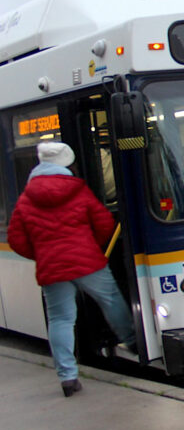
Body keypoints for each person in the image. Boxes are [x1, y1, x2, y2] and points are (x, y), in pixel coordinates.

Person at [7, 141, 135, 397]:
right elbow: (104, 223)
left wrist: (42, 254)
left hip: (52, 268)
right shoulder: (78, 191)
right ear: (66, 165)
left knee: (61, 319)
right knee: (110, 300)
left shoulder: (26, 199)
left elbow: (16, 240)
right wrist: (90, 246)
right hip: (87, 262)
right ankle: (132, 342)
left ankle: (68, 377)